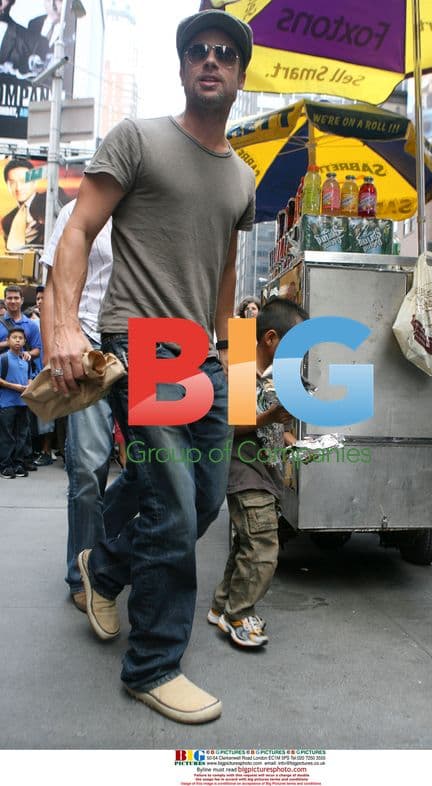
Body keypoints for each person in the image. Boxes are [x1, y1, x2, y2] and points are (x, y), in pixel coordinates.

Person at [43, 9, 255, 725]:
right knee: (168, 500)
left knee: (202, 502)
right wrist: (64, 325)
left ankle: (102, 568)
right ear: (184, 65)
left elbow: (224, 266)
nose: (211, 59)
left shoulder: (244, 178)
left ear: (238, 73)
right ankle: (154, 663)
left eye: (225, 53)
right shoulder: (139, 139)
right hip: (142, 341)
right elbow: (77, 231)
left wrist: (228, 349)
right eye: (198, 49)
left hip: (202, 353)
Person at [41, 198, 133, 611]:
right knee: (87, 468)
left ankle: (97, 543)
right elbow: (52, 289)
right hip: (88, 345)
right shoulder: (76, 210)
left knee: (154, 466)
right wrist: (53, 355)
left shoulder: (151, 205)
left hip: (143, 346)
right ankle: (84, 574)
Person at [208, 298, 307, 648]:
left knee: (246, 545)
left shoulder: (275, 374)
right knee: (264, 546)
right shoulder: (238, 365)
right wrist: (272, 418)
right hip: (243, 470)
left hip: (266, 471)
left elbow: (270, 422)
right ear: (269, 339)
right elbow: (230, 425)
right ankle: (239, 614)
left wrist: (290, 437)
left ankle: (222, 606)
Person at [0, 326, 31, 478]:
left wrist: (30, 385)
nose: (18, 340)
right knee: (7, 435)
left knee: (21, 435)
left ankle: (18, 463)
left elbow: (29, 378)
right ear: (7, 340)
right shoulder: (3, 358)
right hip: (7, 403)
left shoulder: (25, 360)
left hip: (23, 403)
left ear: (24, 341)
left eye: (20, 338)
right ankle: (5, 465)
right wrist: (15, 387)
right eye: (14, 337)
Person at [1, 159, 45, 250]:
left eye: (23, 181)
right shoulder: (7, 221)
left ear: (34, 182)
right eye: (12, 183)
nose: (18, 188)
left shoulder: (47, 202)